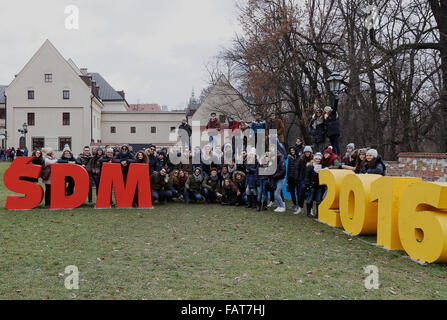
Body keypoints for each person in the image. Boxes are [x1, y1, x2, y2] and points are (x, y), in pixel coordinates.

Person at [304, 152, 324, 218]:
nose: (318, 160)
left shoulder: (322, 167)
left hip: (319, 187)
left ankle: (318, 214)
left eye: (319, 159)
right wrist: (307, 185)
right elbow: (307, 177)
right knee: (309, 199)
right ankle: (308, 213)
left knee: (318, 201)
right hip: (311, 186)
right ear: (314, 159)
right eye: (316, 159)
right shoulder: (310, 166)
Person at [295, 146, 314, 214]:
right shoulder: (301, 159)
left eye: (308, 152)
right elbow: (297, 169)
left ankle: (310, 209)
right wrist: (297, 178)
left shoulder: (313, 159)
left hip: (310, 180)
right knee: (301, 193)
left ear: (311, 152)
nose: (307, 153)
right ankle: (300, 208)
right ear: (304, 152)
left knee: (310, 194)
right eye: (306, 152)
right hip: (302, 179)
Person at [287, 146, 300, 211]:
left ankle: (299, 205)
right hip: (290, 177)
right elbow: (288, 168)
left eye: (293, 150)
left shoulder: (299, 158)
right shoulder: (289, 158)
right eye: (291, 150)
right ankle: (294, 204)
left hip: (297, 178)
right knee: (292, 191)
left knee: (298, 192)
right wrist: (287, 178)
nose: (292, 151)